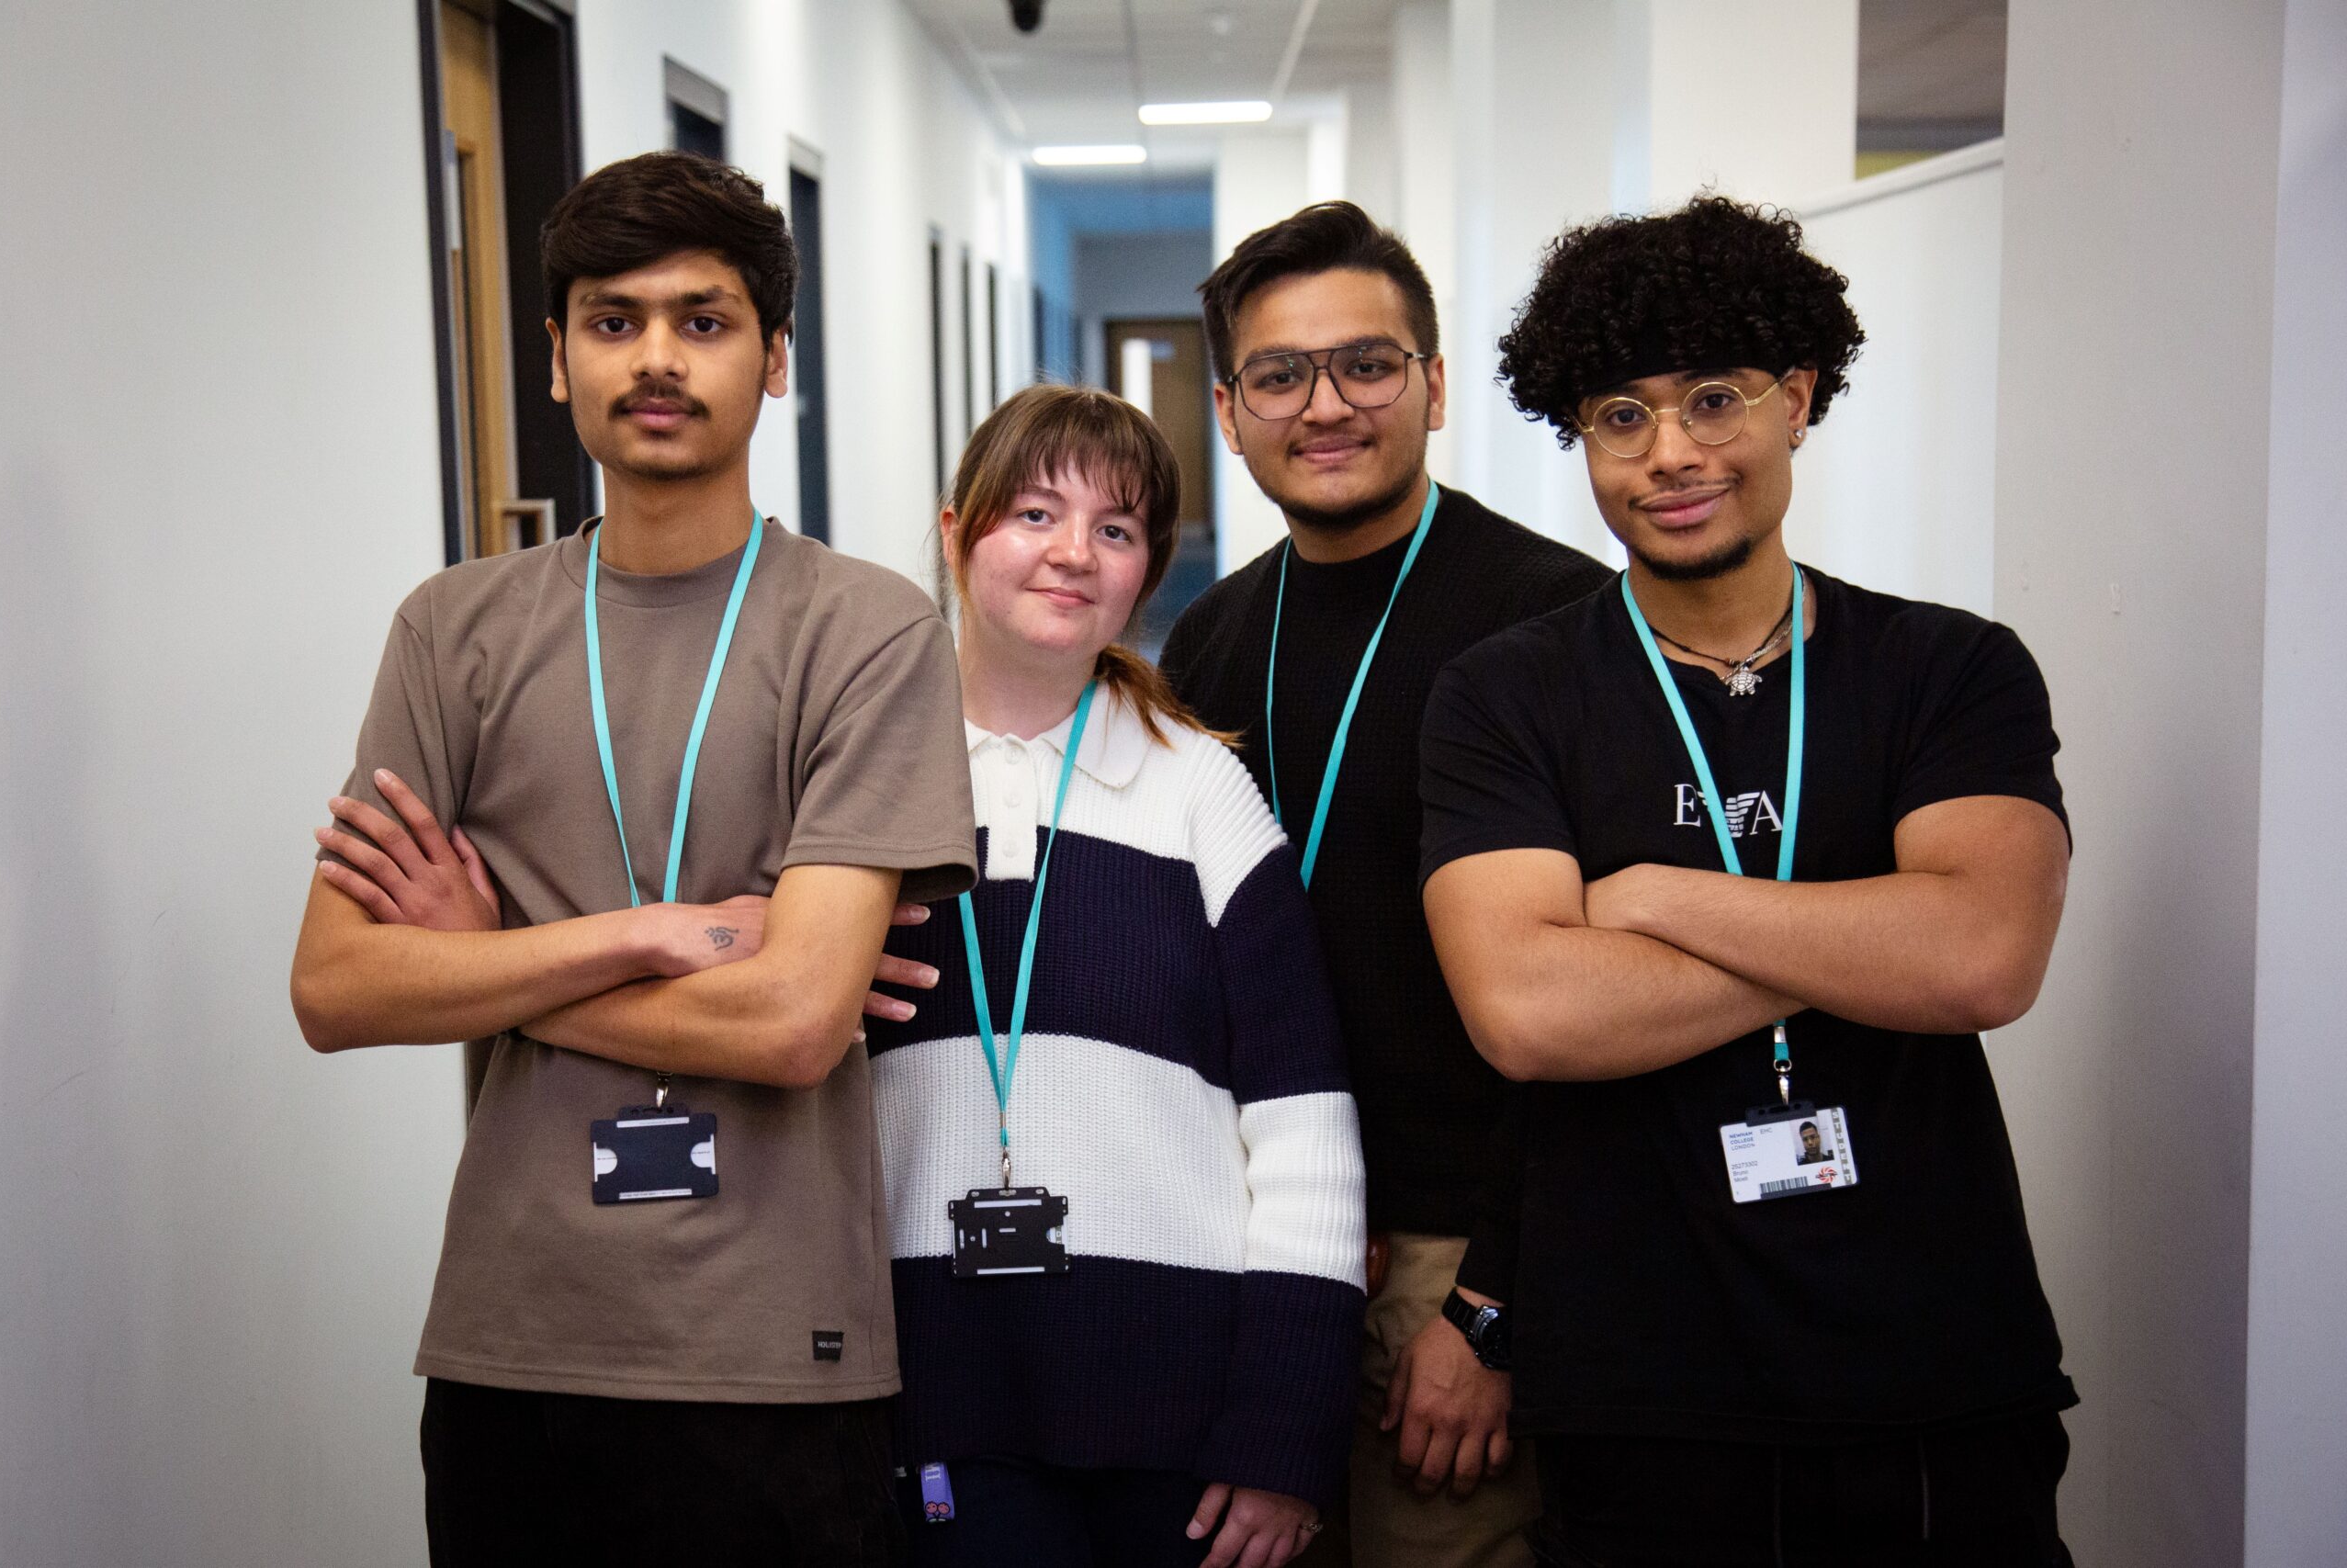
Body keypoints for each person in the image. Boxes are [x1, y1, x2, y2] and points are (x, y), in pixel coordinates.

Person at [288, 151, 976, 1566]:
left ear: (775, 360)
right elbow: (337, 990)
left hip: (775, 1355)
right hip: (512, 1346)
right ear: (556, 360)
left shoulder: (866, 631)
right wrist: (650, 934)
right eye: (614, 321)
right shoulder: (453, 632)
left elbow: (795, 1022)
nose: (657, 357)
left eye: (703, 321)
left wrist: (487, 963)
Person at [1418, 195, 2076, 1564]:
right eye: (1621, 416)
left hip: (1933, 1363)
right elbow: (1526, 1012)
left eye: (1713, 399)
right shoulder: (1505, 696)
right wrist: (1860, 937)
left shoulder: (1950, 670)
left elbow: (1979, 958)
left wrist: (1651, 898)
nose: (1671, 453)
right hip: (1643, 1385)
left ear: (1798, 399)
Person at [1159, 201, 1609, 1568]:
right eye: (1280, 376)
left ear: (1434, 384)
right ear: (1230, 412)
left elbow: (1595, 1012)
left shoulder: (1558, 619)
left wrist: (1491, 1306)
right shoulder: (1210, 639)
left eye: (1367, 364)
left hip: (1451, 1245)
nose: (1326, 406)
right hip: (1260, 1225)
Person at [865, 384, 1367, 1568]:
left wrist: (1284, 1435)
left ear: (1148, 570)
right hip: (932, 1396)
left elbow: (1304, 1131)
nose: (1074, 554)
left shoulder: (1200, 791)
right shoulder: (858, 778)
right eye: (1036, 514)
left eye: (1117, 528)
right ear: (956, 532)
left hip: (1183, 1416)